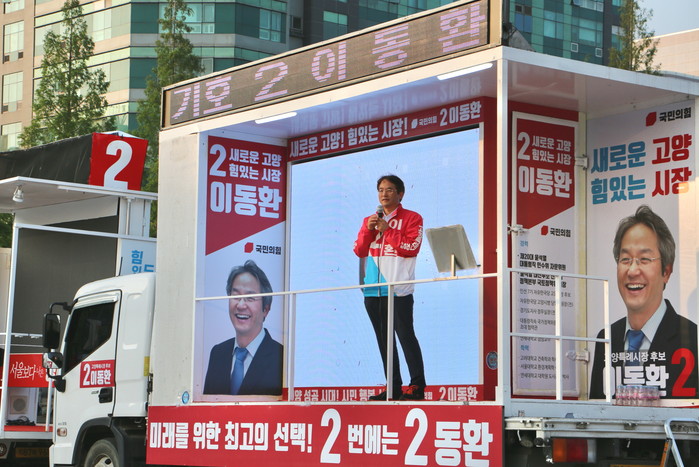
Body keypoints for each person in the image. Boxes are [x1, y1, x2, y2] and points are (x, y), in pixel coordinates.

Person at [590, 205, 698, 399]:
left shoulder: (692, 338)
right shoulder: (606, 339)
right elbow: (596, 411)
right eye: (625, 259)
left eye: (644, 259)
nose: (632, 271)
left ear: (666, 271)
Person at [353, 174, 426, 401]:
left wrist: (388, 230)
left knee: (405, 336)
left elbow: (411, 248)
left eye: (390, 190)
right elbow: (359, 250)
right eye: (381, 190)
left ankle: (417, 386)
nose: (384, 194)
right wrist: (369, 230)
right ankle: (393, 387)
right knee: (384, 340)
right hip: (373, 289)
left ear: (400, 194)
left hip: (398, 289)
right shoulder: (370, 219)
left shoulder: (412, 218)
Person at [204, 260, 283, 395]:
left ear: (266, 309)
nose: (241, 305)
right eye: (236, 296)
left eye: (250, 298)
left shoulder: (281, 357)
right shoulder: (218, 353)